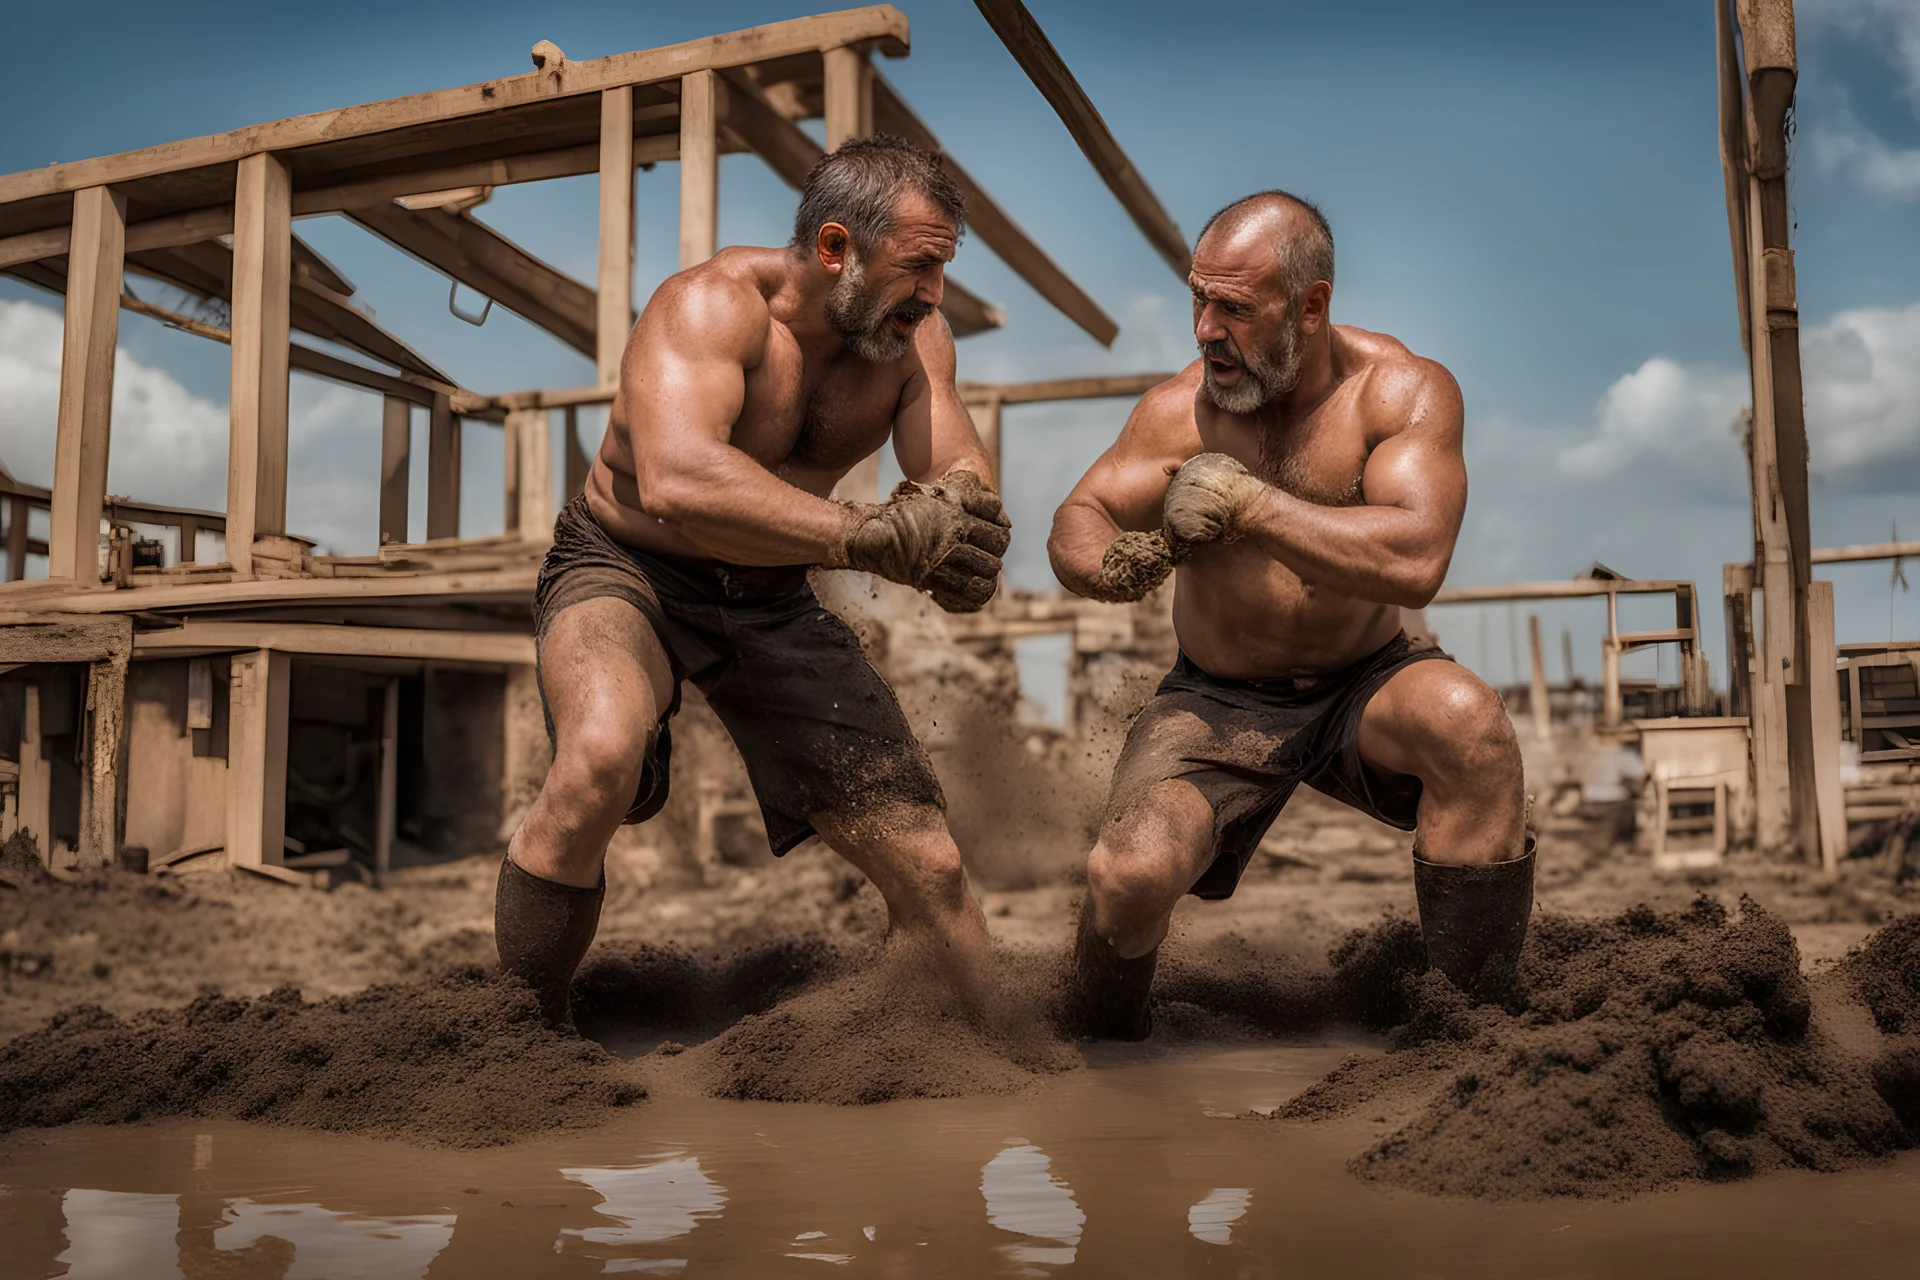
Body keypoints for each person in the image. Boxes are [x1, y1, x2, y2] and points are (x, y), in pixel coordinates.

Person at [497, 135, 1011, 1028]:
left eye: (943, 271)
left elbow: (954, 460)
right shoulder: (708, 308)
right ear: (835, 247)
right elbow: (679, 481)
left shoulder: (912, 339)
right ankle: (516, 1036)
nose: (933, 296)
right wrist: (870, 538)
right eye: (919, 268)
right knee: (601, 756)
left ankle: (985, 1055)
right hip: (628, 572)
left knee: (930, 865)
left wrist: (960, 524)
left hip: (770, 598)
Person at [1047, 190, 1531, 1039]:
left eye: (1232, 307)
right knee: (1130, 877)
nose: (1204, 328)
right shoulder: (1180, 412)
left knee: (1472, 726)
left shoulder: (1401, 392)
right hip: (1218, 699)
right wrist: (1113, 564)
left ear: (1311, 307)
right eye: (1197, 298)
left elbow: (1417, 559)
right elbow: (1076, 519)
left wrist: (1248, 504)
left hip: (1365, 682)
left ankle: (1473, 1035)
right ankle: (1091, 1044)